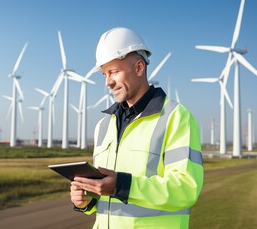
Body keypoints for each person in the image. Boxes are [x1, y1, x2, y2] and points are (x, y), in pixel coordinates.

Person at [70, 27, 203, 228]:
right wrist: (87, 202)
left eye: (114, 72)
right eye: (105, 74)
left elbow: (185, 189)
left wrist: (123, 186)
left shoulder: (176, 118)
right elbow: (108, 200)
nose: (108, 82)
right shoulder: (104, 125)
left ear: (139, 68)